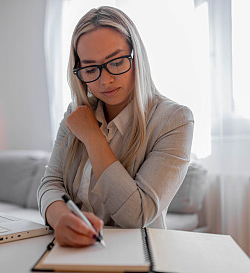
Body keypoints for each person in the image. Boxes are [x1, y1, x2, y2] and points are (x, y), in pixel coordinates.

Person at [37, 6, 194, 247]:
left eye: (117, 62)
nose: (105, 80)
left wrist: (92, 136)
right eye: (90, 69)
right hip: (75, 251)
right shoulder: (75, 113)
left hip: (138, 255)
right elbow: (50, 183)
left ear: (136, 56)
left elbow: (138, 215)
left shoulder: (174, 120)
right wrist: (61, 218)